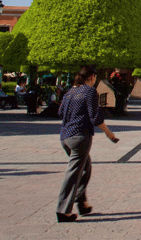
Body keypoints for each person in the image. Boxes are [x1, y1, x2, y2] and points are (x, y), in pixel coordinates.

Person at [57, 66, 118, 223]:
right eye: (95, 78)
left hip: (65, 136)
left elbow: (60, 112)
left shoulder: (70, 92)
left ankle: (81, 202)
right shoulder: (90, 91)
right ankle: (63, 210)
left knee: (85, 168)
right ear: (91, 77)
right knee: (74, 173)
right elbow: (95, 117)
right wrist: (108, 132)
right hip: (79, 136)